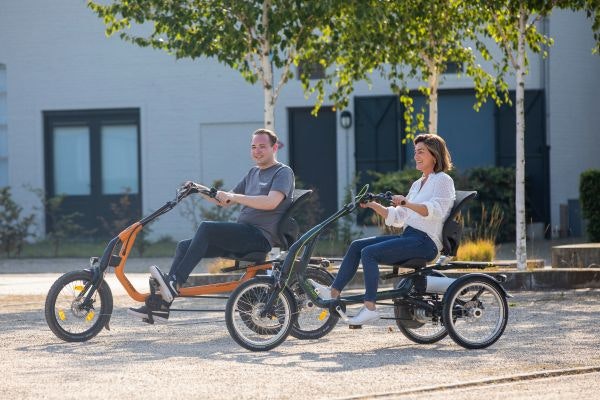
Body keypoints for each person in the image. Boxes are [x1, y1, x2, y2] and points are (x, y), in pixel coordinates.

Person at [129, 128, 295, 322]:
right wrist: (199, 189)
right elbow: (224, 201)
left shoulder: (283, 172)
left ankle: (174, 283)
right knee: (184, 246)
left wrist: (234, 196)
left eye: (262, 147)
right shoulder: (253, 173)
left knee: (207, 228)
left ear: (274, 147)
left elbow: (271, 202)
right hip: (244, 236)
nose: (257, 151)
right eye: (253, 147)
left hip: (259, 238)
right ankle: (160, 307)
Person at [310, 133, 455, 325]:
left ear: (434, 155)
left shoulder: (443, 180)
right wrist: (373, 205)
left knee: (369, 253)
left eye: (421, 152)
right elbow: (398, 217)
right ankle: (333, 291)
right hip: (410, 237)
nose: (416, 156)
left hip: (426, 242)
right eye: (415, 152)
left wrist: (407, 202)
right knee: (356, 246)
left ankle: (369, 308)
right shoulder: (418, 184)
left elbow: (437, 211)